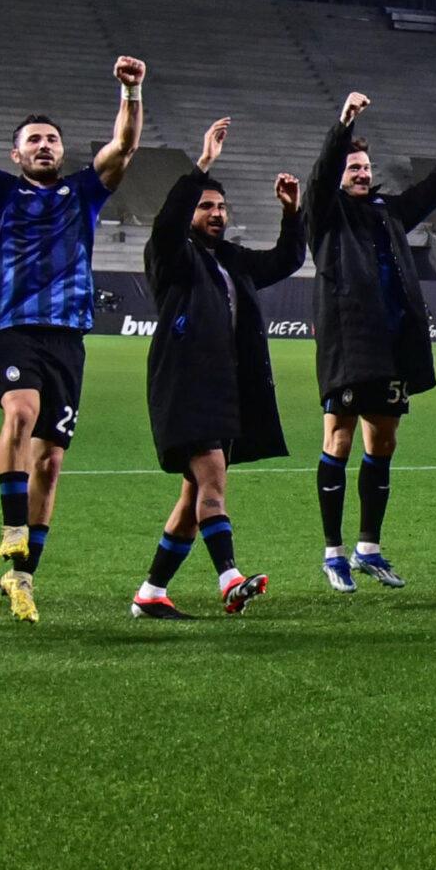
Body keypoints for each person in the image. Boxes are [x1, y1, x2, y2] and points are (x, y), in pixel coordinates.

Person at [0, 55, 143, 623]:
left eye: (51, 139)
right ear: (16, 154)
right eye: (34, 140)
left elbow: (122, 149)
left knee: (49, 465)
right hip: (13, 329)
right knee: (20, 414)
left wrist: (131, 90)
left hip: (69, 337)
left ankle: (23, 577)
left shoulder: (83, 193)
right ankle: (11, 527)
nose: (45, 146)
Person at [131, 117, 306, 619]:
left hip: (223, 389)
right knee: (212, 480)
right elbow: (166, 223)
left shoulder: (228, 258)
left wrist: (292, 214)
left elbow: (285, 261)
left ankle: (151, 593)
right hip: (185, 385)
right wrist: (202, 164)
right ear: (189, 212)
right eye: (206, 206)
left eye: (221, 206)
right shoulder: (172, 256)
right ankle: (229, 578)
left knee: (192, 499)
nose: (216, 213)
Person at [308, 90, 436, 593]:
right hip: (349, 346)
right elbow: (317, 177)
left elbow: (431, 191)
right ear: (340, 174)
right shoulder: (327, 212)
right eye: (352, 167)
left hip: (394, 347)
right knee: (337, 439)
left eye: (364, 167)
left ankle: (368, 548)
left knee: (383, 444)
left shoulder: (388, 210)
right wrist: (343, 126)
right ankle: (333, 552)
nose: (360, 173)